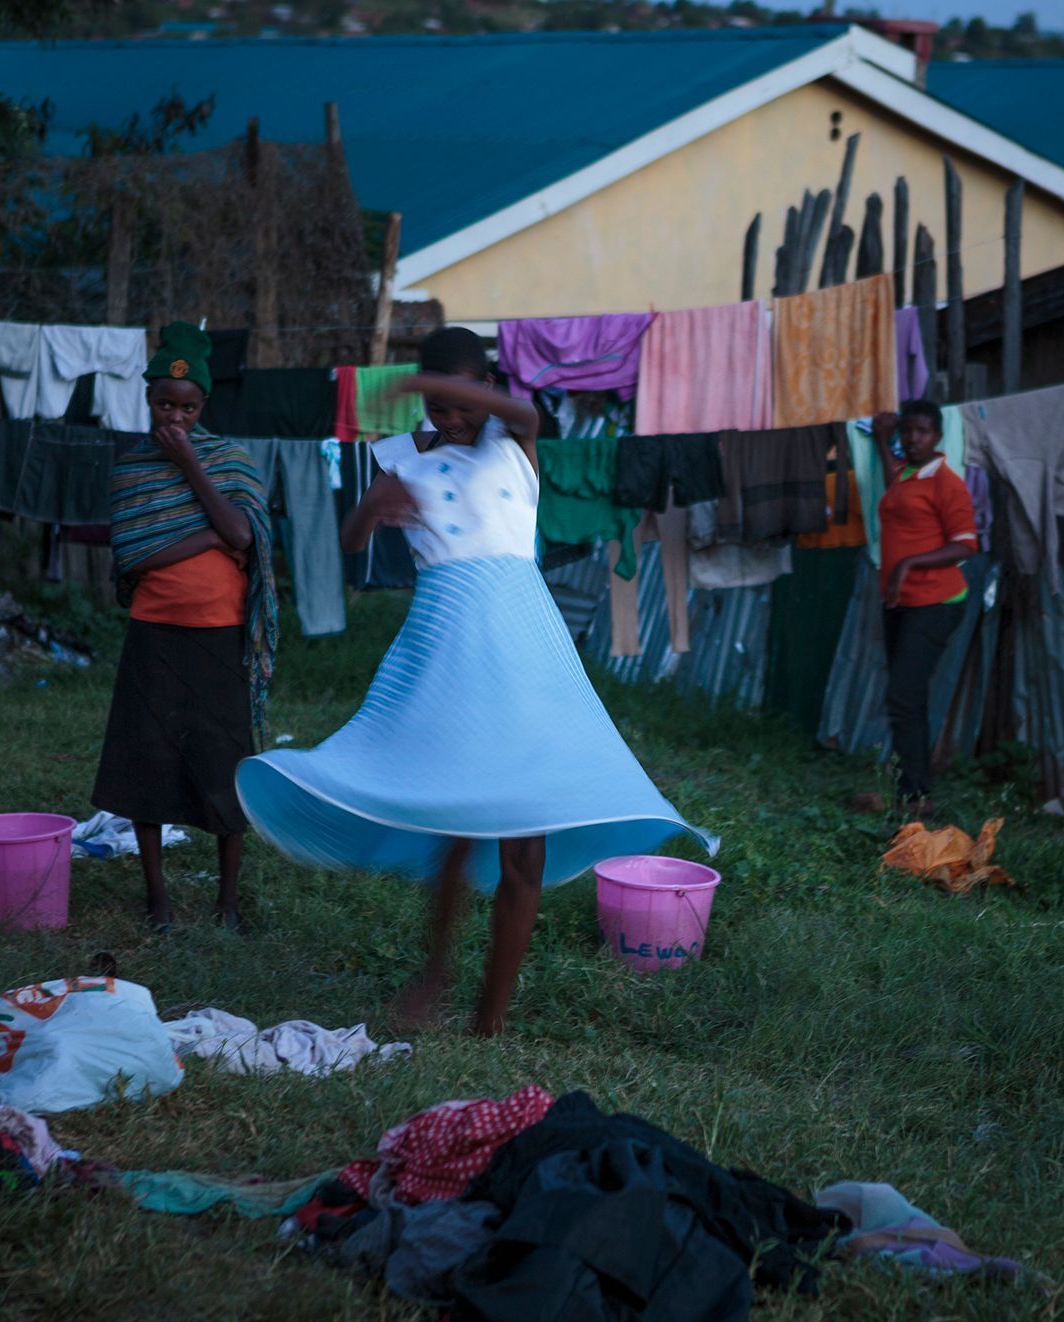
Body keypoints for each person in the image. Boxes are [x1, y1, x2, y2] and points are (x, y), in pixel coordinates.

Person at [235, 327, 714, 1036]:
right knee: (453, 827)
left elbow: (509, 410)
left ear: (481, 389)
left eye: (460, 402)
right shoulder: (401, 461)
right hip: (446, 651)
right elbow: (350, 542)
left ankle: (488, 1020)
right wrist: (373, 509)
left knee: (526, 838)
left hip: (524, 653)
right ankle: (431, 975)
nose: (452, 419)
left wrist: (424, 388)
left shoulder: (513, 443)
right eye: (440, 407)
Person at [94, 321, 278, 931]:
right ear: (148, 398)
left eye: (188, 407)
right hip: (155, 633)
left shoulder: (228, 460)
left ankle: (226, 902)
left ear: (205, 406)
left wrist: (191, 463)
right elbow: (133, 555)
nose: (175, 416)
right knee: (144, 764)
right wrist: (206, 534)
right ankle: (158, 900)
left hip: (219, 633)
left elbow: (246, 535)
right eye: (165, 404)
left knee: (225, 764)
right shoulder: (132, 470)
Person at [873, 399, 979, 815]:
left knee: (903, 695)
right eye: (907, 431)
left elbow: (967, 543)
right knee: (907, 698)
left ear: (937, 436)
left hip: (937, 601)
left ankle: (915, 794)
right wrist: (883, 443)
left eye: (922, 432)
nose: (913, 438)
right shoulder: (906, 473)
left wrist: (908, 564)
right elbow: (895, 493)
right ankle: (912, 794)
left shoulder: (945, 481)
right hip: (901, 602)